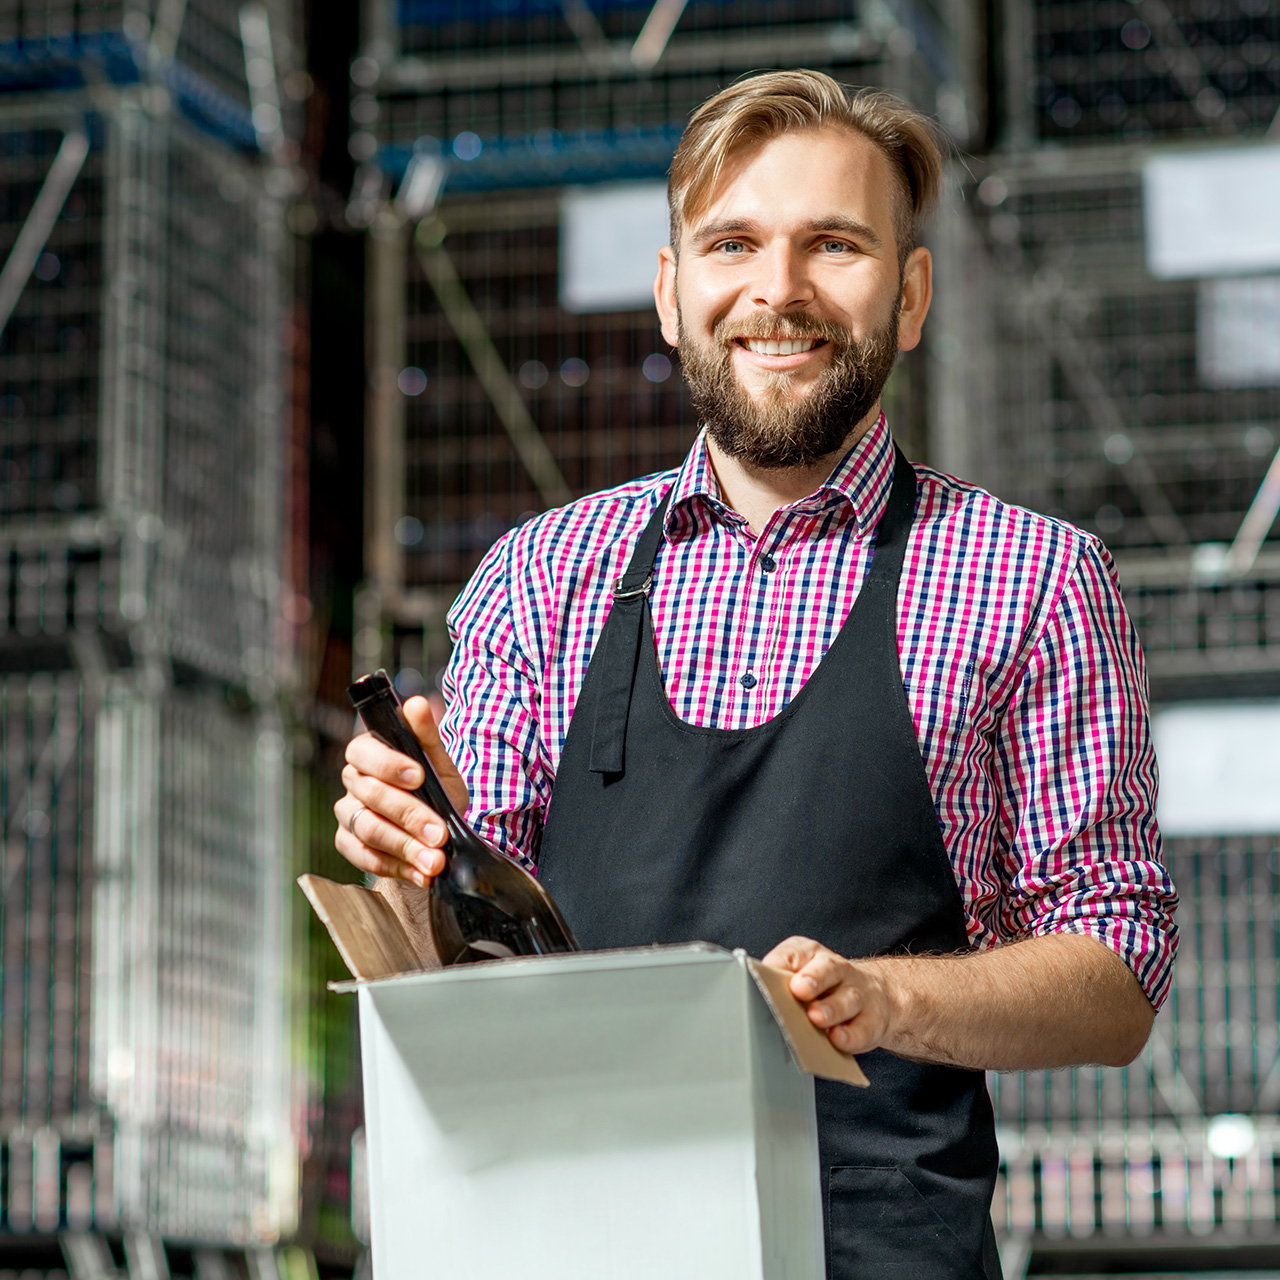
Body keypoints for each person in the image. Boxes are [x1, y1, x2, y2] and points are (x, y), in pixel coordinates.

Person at [335, 70, 1177, 1280]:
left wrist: (884, 1000)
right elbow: (468, 957)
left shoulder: (1031, 579)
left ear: (911, 294)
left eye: (832, 244)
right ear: (673, 294)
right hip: (555, 1234)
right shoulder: (540, 575)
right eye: (731, 244)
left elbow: (1116, 969)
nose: (776, 291)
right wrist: (412, 841)